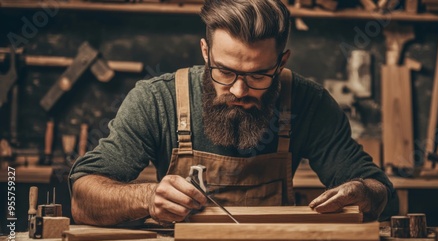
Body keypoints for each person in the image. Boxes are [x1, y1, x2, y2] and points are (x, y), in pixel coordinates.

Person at [69, 0, 398, 226]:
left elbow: (381, 193)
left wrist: (364, 194)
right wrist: (147, 197)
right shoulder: (157, 101)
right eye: (224, 72)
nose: (239, 91)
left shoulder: (308, 103)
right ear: (205, 52)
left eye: (258, 75)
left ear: (281, 62)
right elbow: (82, 199)